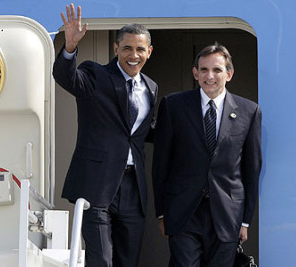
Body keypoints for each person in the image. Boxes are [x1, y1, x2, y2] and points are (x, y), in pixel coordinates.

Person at [53, 4, 158, 267]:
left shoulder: (151, 87)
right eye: (127, 48)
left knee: (128, 259)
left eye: (140, 49)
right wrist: (69, 48)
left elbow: (141, 132)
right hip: (96, 185)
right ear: (116, 49)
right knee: (101, 259)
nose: (133, 55)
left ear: (149, 52)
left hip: (133, 187)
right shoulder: (96, 75)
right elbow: (66, 78)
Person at [152, 43, 262, 266]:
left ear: (229, 74)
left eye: (217, 70)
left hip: (227, 214)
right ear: (195, 73)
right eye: (203, 70)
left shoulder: (249, 111)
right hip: (184, 212)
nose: (209, 76)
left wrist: (246, 221)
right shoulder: (173, 105)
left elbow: (251, 169)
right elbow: (160, 164)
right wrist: (162, 213)